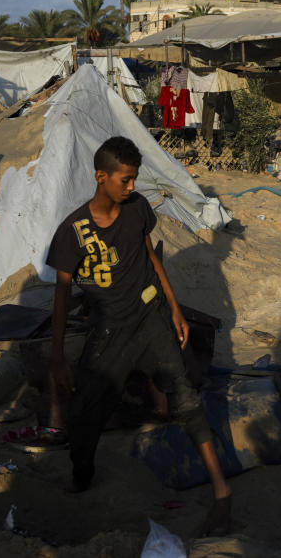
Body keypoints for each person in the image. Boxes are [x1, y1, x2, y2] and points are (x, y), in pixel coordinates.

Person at [46, 136, 231, 535]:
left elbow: (151, 259)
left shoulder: (137, 210)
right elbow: (61, 296)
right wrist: (58, 358)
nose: (132, 188)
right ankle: (82, 478)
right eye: (126, 180)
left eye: (134, 180)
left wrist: (176, 310)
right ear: (101, 177)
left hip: (150, 319)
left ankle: (221, 492)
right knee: (83, 415)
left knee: (186, 398)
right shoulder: (72, 232)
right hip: (109, 331)